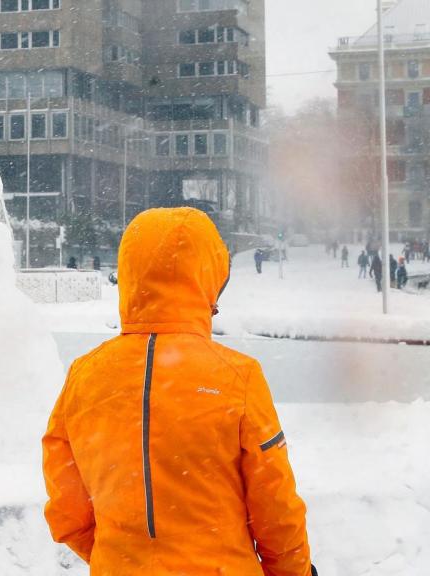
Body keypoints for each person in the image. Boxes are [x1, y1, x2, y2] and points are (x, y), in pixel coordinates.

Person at [43, 207, 314, 576]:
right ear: (209, 278)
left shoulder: (84, 376)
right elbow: (276, 507)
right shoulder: (238, 377)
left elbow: (67, 509)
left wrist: (122, 558)